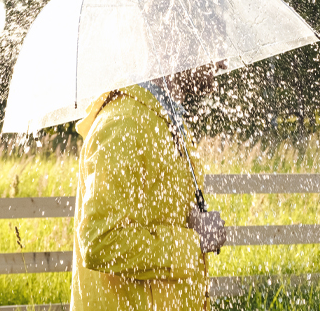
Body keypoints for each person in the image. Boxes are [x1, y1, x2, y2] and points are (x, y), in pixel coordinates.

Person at [71, 61, 229, 311]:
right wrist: (194, 241)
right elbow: (100, 241)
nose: (221, 62)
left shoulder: (165, 120)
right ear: (173, 38)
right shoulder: (124, 124)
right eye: (211, 42)